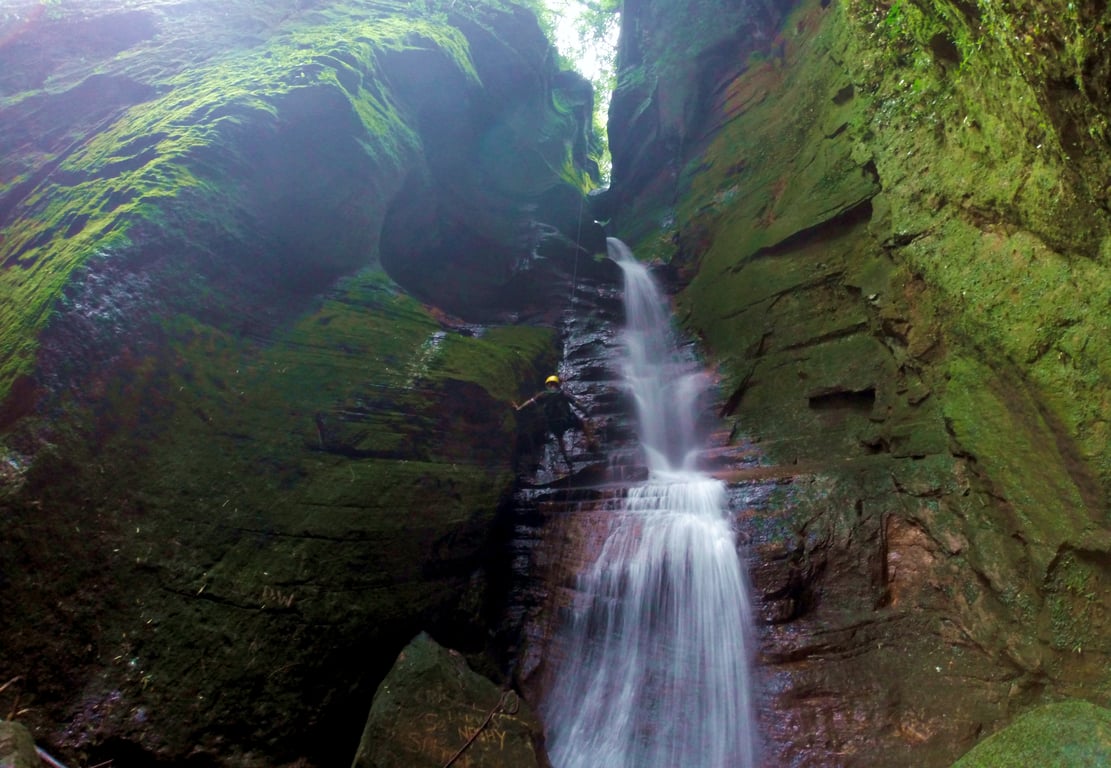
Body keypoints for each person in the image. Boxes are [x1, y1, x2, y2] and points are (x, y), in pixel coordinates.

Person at [513, 374, 595, 469]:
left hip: (553, 424)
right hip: (566, 420)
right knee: (582, 423)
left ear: (548, 384)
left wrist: (519, 408)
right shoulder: (563, 394)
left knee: (560, 439)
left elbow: (529, 403)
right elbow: (576, 404)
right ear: (557, 384)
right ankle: (590, 441)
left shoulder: (543, 395)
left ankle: (567, 459)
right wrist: (586, 412)